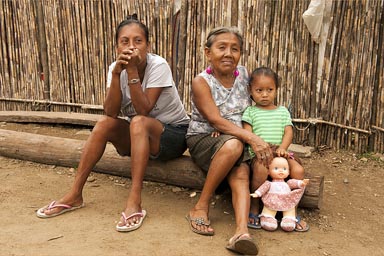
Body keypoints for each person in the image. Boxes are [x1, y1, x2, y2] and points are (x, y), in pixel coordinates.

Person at [36, 14, 190, 233]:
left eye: (138, 41)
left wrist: (132, 71)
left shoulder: (159, 65)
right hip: (139, 136)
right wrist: (117, 75)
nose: (132, 46)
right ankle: (75, 194)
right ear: (116, 45)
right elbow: (110, 112)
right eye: (124, 41)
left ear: (148, 44)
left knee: (138, 121)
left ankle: (135, 200)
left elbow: (144, 110)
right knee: (103, 125)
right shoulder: (115, 68)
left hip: (172, 135)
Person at [185, 26, 273, 256]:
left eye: (234, 49)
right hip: (204, 137)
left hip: (236, 138)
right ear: (208, 52)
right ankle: (200, 206)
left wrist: (261, 135)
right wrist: (249, 137)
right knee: (233, 145)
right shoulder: (201, 81)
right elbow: (214, 119)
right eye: (221, 47)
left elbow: (261, 100)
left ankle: (242, 233)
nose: (228, 53)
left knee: (242, 172)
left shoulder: (244, 74)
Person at [242, 66, 309, 232]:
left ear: (276, 90)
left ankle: (291, 210)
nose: (265, 94)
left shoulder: (282, 111)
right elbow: (247, 134)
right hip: (260, 154)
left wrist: (283, 148)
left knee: (299, 171)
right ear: (250, 90)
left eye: (270, 90)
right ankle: (255, 207)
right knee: (259, 171)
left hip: (281, 153)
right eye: (259, 90)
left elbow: (288, 132)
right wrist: (259, 149)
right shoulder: (250, 112)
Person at [250, 157, 309, 231]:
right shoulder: (269, 184)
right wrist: (257, 193)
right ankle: (254, 208)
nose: (281, 171)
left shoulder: (288, 183)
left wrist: (301, 183)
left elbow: (294, 183)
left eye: (284, 169)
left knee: (298, 170)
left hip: (283, 152)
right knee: (261, 168)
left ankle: (292, 215)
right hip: (262, 152)